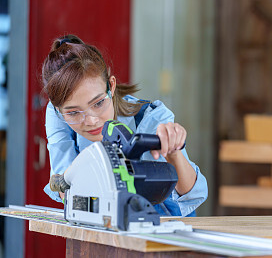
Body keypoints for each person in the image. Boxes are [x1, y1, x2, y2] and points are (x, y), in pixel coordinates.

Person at [41, 34, 207, 217]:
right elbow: (64, 190)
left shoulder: (151, 118)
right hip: (103, 227)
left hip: (165, 230)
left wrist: (174, 153)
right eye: (73, 112)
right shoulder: (58, 113)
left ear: (111, 86)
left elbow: (190, 195)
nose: (91, 120)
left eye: (98, 103)